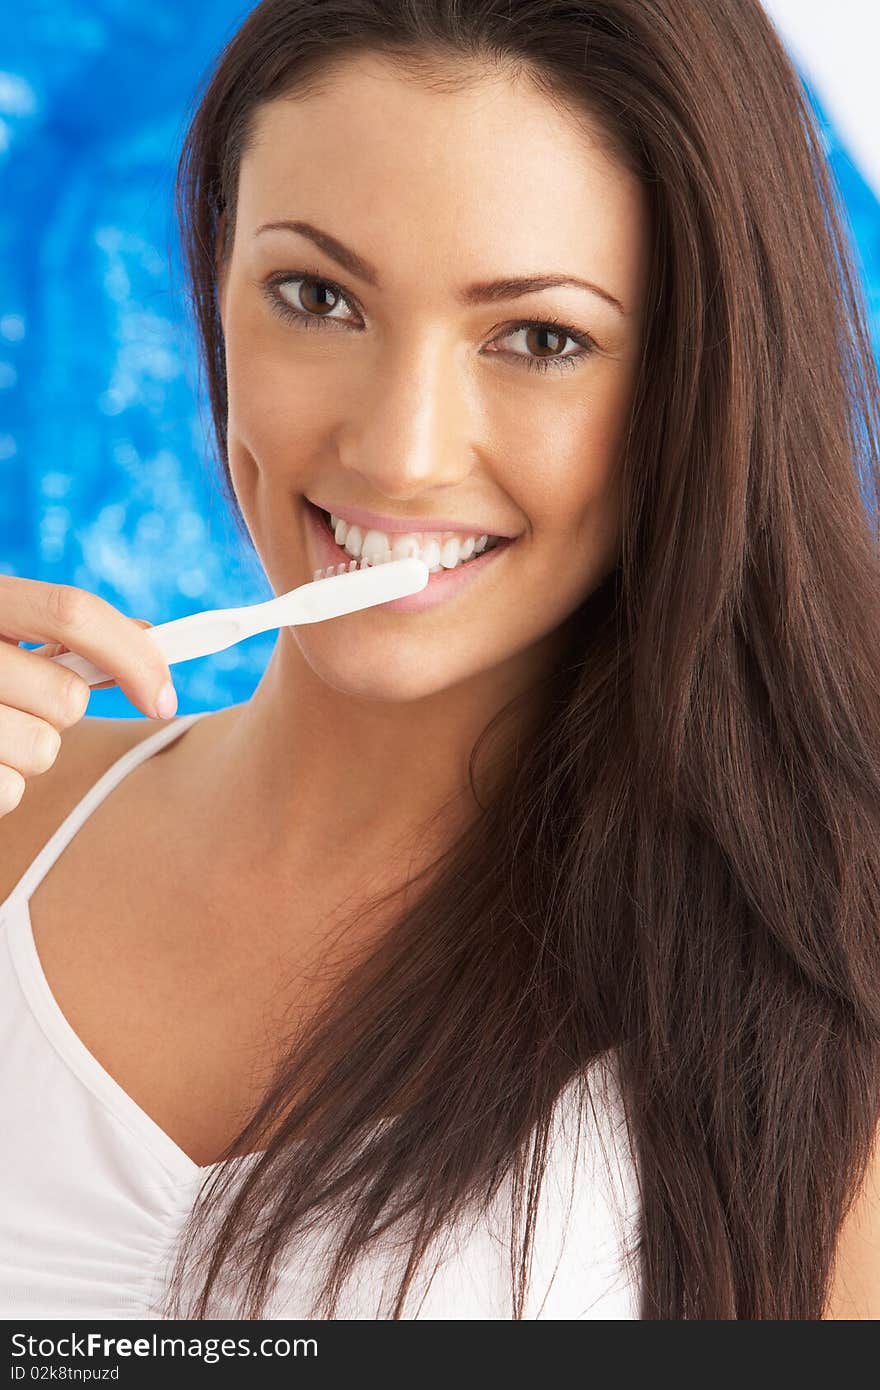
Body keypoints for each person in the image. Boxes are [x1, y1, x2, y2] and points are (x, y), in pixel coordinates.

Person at [1, 0, 879, 1320]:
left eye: (539, 338)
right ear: (215, 285)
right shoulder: (25, 815)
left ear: (699, 384)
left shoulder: (824, 993)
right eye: (316, 297)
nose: (401, 451)